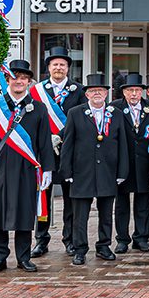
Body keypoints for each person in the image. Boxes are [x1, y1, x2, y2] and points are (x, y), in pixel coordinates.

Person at [0, 60, 54, 275]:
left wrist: (47, 170)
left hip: (27, 169)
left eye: (24, 78)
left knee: (25, 213)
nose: (19, 81)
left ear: (29, 82)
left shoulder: (39, 108)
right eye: (15, 76)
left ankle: (23, 258)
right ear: (7, 79)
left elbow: (44, 142)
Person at [59, 73, 128, 265]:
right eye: (92, 91)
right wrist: (67, 171)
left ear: (106, 93)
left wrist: (122, 172)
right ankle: (80, 249)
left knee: (106, 213)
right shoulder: (75, 112)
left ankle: (104, 246)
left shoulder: (116, 114)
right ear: (87, 94)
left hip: (108, 171)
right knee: (80, 215)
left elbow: (123, 144)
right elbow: (68, 144)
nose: (97, 93)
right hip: (82, 172)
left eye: (100, 90)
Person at [32, 46, 85, 258]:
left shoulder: (78, 90)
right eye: (55, 64)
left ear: (68, 68)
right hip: (44, 152)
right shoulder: (37, 91)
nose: (59, 68)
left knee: (70, 199)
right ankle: (41, 240)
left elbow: (81, 119)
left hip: (69, 153)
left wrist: (61, 135)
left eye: (62, 65)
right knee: (42, 197)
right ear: (49, 68)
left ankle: (69, 239)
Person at [112, 73, 149, 253]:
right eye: (130, 90)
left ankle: (141, 237)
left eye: (137, 90)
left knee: (143, 203)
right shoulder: (114, 108)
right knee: (122, 204)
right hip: (123, 163)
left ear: (142, 92)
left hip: (144, 164)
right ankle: (122, 239)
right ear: (124, 92)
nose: (133, 94)